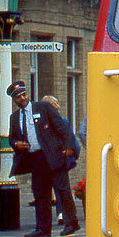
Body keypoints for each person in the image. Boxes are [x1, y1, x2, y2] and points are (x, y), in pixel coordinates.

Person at [7, 81, 80, 237]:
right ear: (15, 100)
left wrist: (69, 148)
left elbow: (62, 128)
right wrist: (16, 144)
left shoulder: (43, 108)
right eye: (18, 97)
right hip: (35, 158)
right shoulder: (14, 118)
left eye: (24, 94)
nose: (22, 98)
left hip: (53, 156)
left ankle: (71, 223)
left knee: (62, 190)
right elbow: (12, 138)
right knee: (40, 194)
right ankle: (43, 228)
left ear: (28, 94)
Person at [41, 95, 80, 225]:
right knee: (61, 188)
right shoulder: (63, 121)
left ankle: (60, 214)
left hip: (53, 158)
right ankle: (63, 214)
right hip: (58, 158)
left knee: (53, 188)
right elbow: (72, 140)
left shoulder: (43, 123)